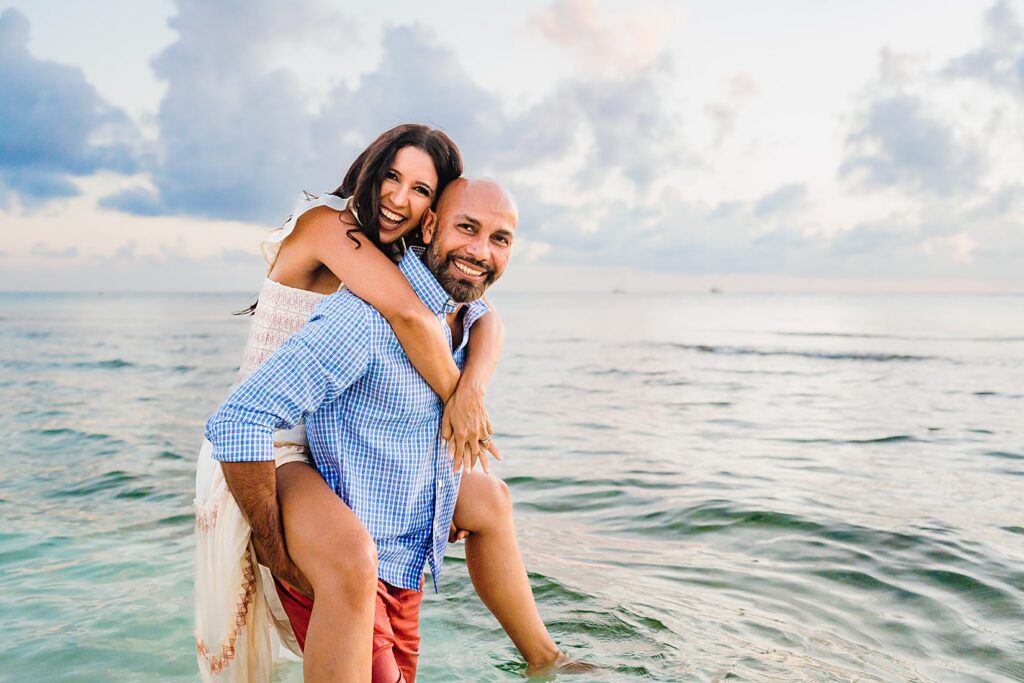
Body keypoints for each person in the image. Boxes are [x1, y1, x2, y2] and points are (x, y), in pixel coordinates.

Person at [194, 127, 571, 681]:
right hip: (266, 444)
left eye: (421, 189)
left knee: (489, 500)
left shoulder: (410, 269)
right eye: (393, 177)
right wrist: (457, 398)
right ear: (434, 226)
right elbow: (411, 317)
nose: (399, 198)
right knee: (351, 561)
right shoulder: (332, 231)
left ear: (429, 211)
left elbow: (485, 316)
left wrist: (468, 406)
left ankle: (547, 661)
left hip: (321, 430)